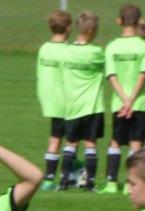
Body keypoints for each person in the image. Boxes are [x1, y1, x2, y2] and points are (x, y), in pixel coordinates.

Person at [100, 4, 145, 195]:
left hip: (120, 104)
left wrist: (124, 100)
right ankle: (130, 185)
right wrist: (131, 100)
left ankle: (111, 183)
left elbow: (111, 76)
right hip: (140, 103)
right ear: (139, 21)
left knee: (115, 141)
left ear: (119, 21)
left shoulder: (112, 47)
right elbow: (143, 74)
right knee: (136, 144)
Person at [58, 11, 105, 192]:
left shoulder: (66, 51)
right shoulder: (96, 52)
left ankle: (63, 182)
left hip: (72, 106)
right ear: (91, 29)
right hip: (92, 106)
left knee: (71, 143)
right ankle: (89, 184)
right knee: (90, 144)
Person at [36, 9, 72, 191]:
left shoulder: (44, 48)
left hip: (48, 99)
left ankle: (50, 178)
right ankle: (63, 177)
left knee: (56, 136)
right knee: (69, 139)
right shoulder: (68, 51)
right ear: (69, 28)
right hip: (65, 100)